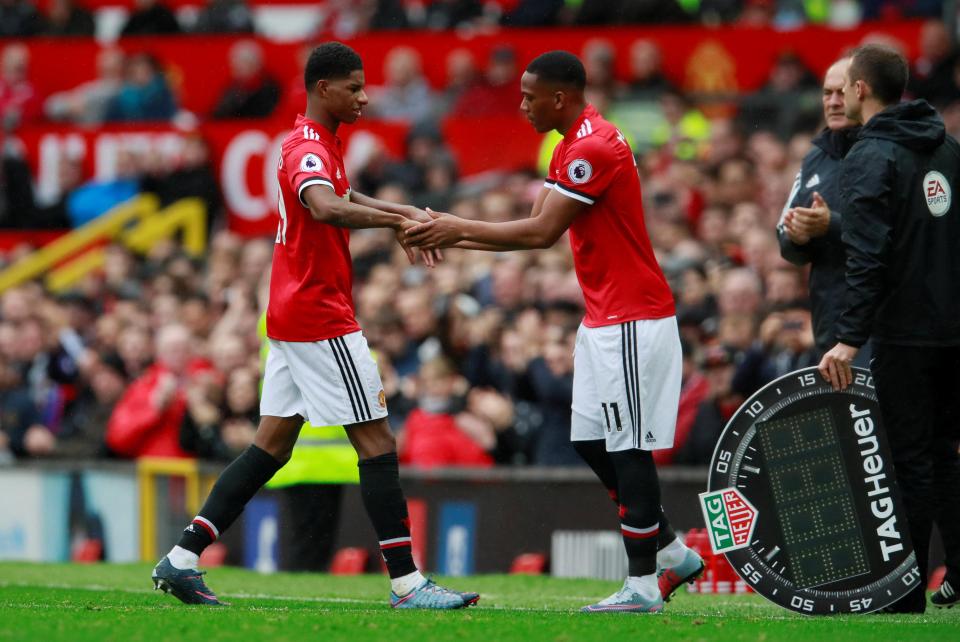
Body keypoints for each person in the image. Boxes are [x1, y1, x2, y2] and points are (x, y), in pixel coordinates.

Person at [151, 41, 478, 610]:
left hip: (292, 311)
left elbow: (341, 195)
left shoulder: (317, 143)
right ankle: (407, 583)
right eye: (353, 87)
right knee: (376, 441)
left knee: (270, 446)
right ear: (323, 88)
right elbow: (326, 207)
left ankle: (181, 559)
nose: (364, 97)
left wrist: (403, 213)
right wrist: (395, 225)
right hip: (317, 313)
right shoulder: (307, 146)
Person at [406, 50, 703, 614]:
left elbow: (541, 232)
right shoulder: (570, 144)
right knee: (589, 440)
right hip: (604, 319)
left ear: (560, 97)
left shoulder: (593, 146)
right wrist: (447, 235)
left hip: (633, 321)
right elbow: (528, 227)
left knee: (628, 448)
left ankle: (642, 585)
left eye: (528, 96)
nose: (521, 105)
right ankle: (669, 549)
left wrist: (452, 226)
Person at [818, 43, 960, 612]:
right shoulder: (948, 146)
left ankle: (903, 596)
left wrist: (849, 336)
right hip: (953, 330)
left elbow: (868, 256)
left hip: (905, 333)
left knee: (908, 461)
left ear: (859, 90)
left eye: (843, 86)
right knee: (944, 454)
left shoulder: (871, 155)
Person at [778, 56, 866, 359]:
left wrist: (831, 224)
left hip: (880, 326)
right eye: (827, 94)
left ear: (863, 92)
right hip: (829, 324)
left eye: (841, 93)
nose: (833, 102)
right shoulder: (815, 157)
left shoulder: (886, 152)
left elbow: (892, 233)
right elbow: (784, 237)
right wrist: (797, 236)